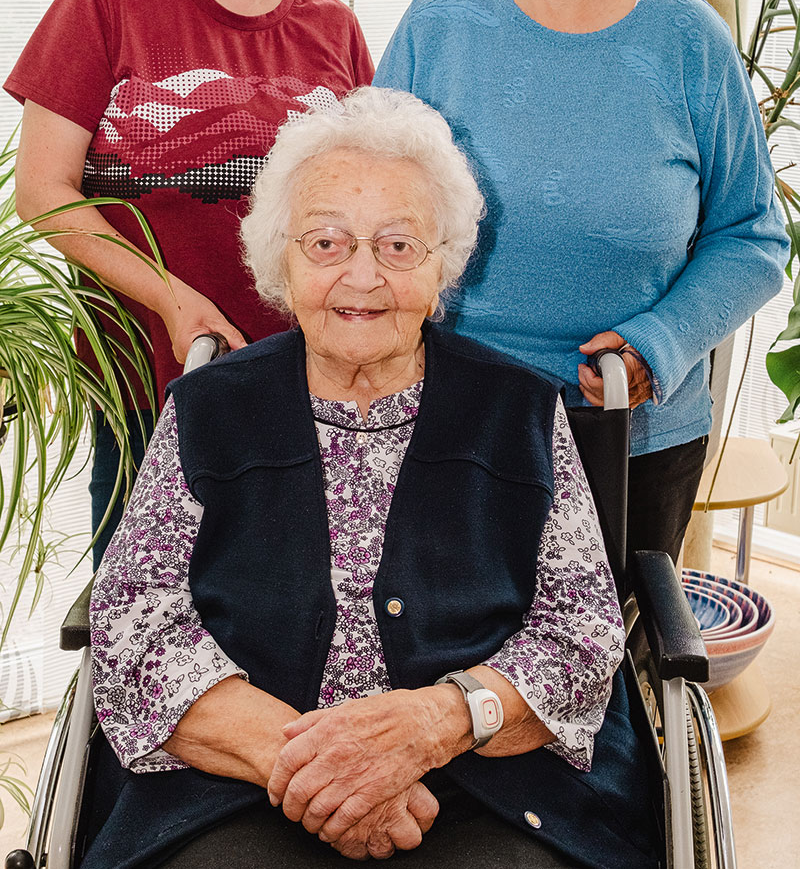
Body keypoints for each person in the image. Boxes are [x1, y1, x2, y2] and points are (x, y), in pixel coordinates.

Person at [85, 88, 660, 869]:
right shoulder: (207, 408)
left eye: (397, 246)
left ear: (443, 265)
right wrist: (325, 767)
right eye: (326, 242)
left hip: (486, 780)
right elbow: (133, 625)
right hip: (237, 780)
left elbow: (582, 630)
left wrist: (435, 723)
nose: (362, 276)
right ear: (279, 261)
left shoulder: (518, 409)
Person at [374, 0, 789, 566]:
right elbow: (370, 210)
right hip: (448, 422)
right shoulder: (436, 27)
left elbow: (754, 236)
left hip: (633, 438)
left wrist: (656, 344)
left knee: (607, 675)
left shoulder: (689, 39)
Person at [4, 0, 373, 565]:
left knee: (287, 630)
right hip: (148, 386)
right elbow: (45, 190)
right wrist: (172, 299)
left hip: (299, 394)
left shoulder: (335, 30)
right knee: (144, 636)